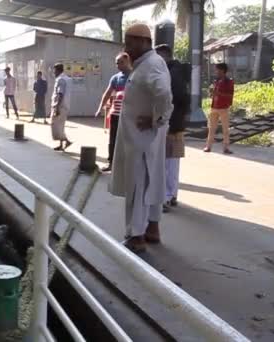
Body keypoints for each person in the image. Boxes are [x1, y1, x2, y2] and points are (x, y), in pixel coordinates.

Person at [110, 24, 173, 253]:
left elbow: (164, 94)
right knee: (152, 182)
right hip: (145, 139)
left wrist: (158, 119)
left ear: (143, 41)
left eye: (129, 42)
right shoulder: (144, 65)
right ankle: (152, 229)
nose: (126, 47)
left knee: (137, 185)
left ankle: (135, 236)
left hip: (141, 139)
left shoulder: (151, 65)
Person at [155, 44, 190, 210]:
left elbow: (179, 98)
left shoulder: (173, 73)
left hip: (172, 123)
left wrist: (170, 119)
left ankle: (168, 196)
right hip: (172, 122)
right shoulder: (172, 71)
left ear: (163, 56)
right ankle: (171, 194)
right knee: (169, 161)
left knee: (169, 161)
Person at [95, 52, 132, 172]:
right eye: (117, 63)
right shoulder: (116, 78)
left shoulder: (135, 76)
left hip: (130, 115)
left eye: (121, 62)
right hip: (116, 114)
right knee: (113, 139)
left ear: (128, 61)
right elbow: (107, 93)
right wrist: (100, 107)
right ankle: (111, 163)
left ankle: (127, 165)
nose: (118, 65)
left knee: (128, 140)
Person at [204, 63, 234, 154]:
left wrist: (218, 93)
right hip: (214, 107)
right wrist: (212, 93)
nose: (215, 71)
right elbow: (214, 94)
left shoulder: (229, 82)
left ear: (222, 70)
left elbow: (230, 95)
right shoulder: (216, 81)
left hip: (223, 107)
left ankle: (226, 147)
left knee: (225, 129)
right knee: (211, 128)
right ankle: (208, 146)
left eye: (217, 70)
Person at [50, 63, 73, 151]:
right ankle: (61, 144)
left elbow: (60, 94)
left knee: (55, 125)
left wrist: (57, 107)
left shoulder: (61, 80)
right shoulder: (67, 79)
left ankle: (66, 141)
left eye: (54, 70)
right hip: (65, 105)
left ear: (58, 70)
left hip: (60, 106)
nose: (53, 72)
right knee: (60, 126)